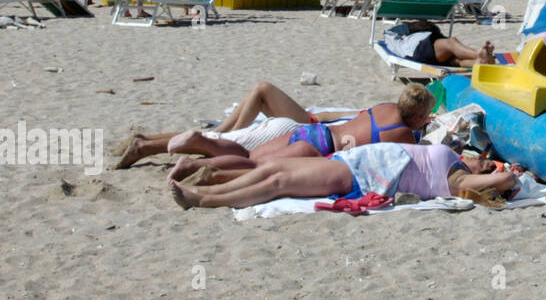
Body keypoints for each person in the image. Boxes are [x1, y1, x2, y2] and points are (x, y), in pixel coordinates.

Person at [164, 83, 434, 183]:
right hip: (319, 148)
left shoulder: (384, 107)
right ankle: (194, 164)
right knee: (253, 166)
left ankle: (201, 140)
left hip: (311, 131)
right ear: (419, 117)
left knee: (249, 154)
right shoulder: (402, 134)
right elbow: (415, 161)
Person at [169, 141, 518, 210]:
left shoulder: (457, 180)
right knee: (273, 168)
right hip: (356, 160)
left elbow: (497, 183)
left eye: (488, 164)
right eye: (486, 159)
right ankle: (217, 179)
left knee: (277, 184)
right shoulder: (455, 157)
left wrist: (510, 177)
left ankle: (204, 200)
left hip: (362, 174)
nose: (484, 161)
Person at [114, 79, 358, 169]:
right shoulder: (373, 121)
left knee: (261, 91)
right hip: (311, 124)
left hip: (308, 126)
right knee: (223, 133)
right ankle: (146, 143)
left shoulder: (371, 120)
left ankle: (146, 144)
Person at [384, 20, 494, 68]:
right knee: (452, 42)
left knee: (456, 61)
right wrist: (410, 27)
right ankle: (478, 55)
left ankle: (479, 62)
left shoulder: (405, 42)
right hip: (420, 50)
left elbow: (390, 33)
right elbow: (389, 33)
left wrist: (410, 28)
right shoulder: (405, 43)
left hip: (426, 53)